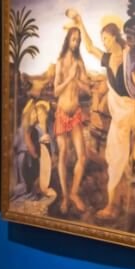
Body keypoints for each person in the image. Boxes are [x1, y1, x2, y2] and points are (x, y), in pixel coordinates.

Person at [70, 10, 135, 219]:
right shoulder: (107, 59)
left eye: (106, 39)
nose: (104, 43)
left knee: (134, 157)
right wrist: (80, 22)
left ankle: (127, 204)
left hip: (131, 113)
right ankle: (114, 204)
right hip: (119, 116)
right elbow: (89, 47)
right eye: (103, 40)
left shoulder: (129, 58)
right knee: (115, 158)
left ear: (115, 36)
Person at [54, 27, 90, 214]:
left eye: (78, 40)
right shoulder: (60, 63)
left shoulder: (79, 63)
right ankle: (65, 197)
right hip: (62, 113)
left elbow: (87, 89)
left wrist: (79, 81)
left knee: (82, 156)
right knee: (63, 154)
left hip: (75, 113)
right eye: (73, 39)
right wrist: (69, 78)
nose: (75, 43)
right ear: (68, 40)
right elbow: (55, 91)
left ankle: (74, 193)